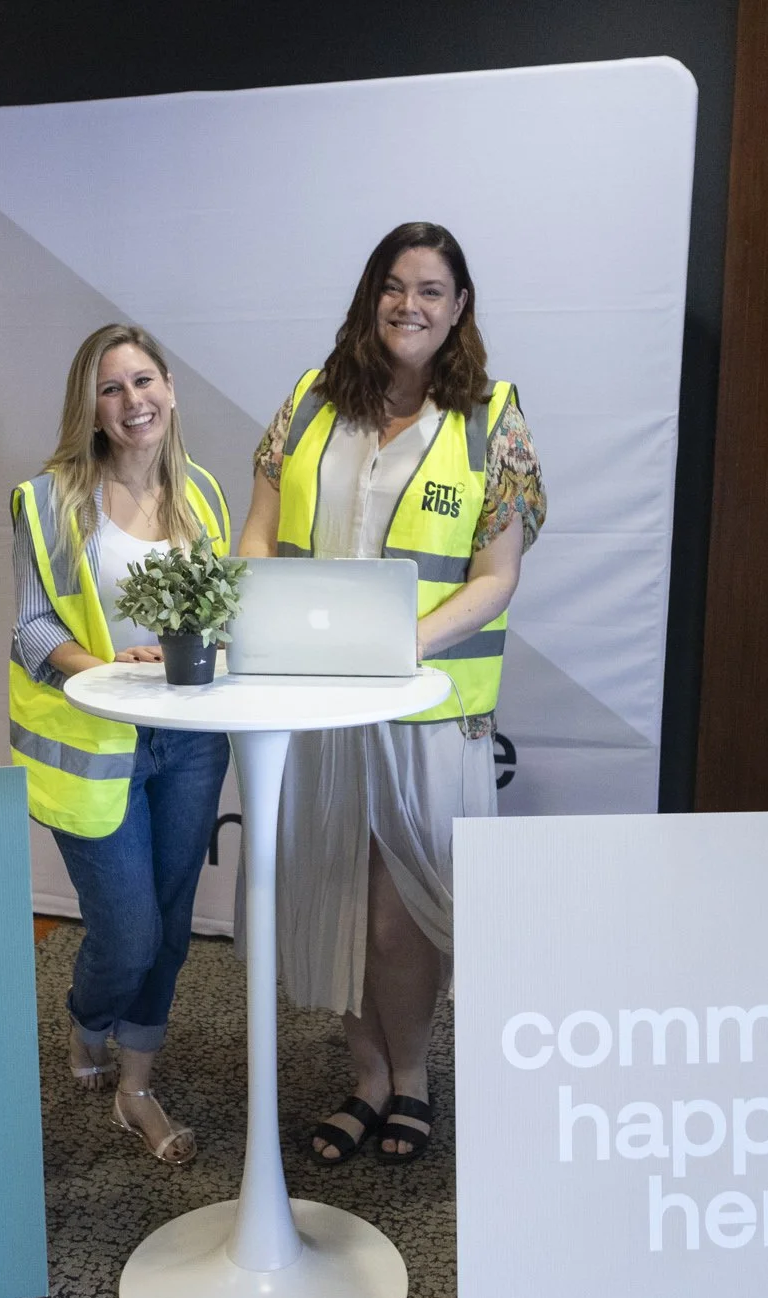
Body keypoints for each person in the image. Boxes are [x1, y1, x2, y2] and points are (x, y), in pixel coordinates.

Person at [237, 222, 545, 1165]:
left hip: (427, 709)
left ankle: (412, 1074)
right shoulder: (309, 402)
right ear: (372, 294)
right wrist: (269, 620)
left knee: (400, 907)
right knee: (335, 895)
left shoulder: (494, 421)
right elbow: (256, 536)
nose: (411, 305)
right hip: (319, 708)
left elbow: (498, 575)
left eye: (433, 290)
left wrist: (399, 644)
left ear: (459, 310)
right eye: (395, 285)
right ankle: (364, 1075)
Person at [9, 323, 233, 1165]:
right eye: (112, 389)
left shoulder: (202, 496)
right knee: (129, 932)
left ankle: (137, 1087)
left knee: (172, 927)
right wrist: (105, 668)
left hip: (188, 744)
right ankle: (85, 1014)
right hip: (98, 744)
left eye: (144, 382)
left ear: (171, 389)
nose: (133, 402)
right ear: (91, 408)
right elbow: (30, 630)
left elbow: (219, 616)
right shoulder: (52, 498)